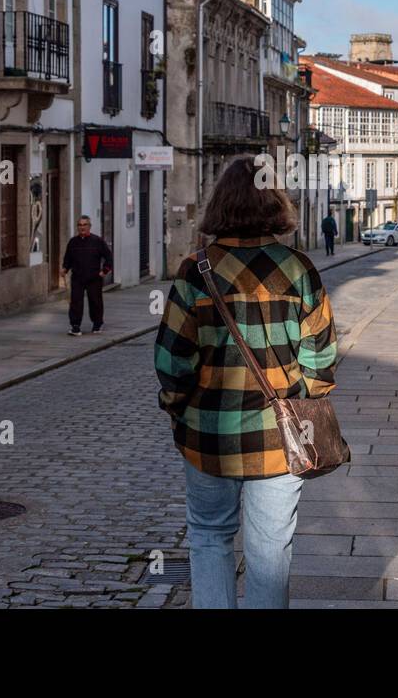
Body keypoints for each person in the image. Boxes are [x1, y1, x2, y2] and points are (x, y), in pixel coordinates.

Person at [155, 156, 338, 609]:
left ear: (221, 204)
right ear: (273, 201)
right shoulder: (299, 269)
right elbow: (321, 358)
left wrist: (178, 406)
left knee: (210, 536)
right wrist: (302, 403)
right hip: (280, 439)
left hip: (208, 435)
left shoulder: (195, 271)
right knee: (270, 549)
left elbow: (173, 358)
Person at [62, 215, 113, 336]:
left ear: (89, 226)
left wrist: (104, 271)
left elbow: (108, 257)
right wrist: (65, 268)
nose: (82, 227)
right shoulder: (73, 242)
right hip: (77, 277)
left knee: (95, 301)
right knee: (75, 301)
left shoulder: (97, 241)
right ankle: (75, 326)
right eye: (80, 225)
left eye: (85, 225)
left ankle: (97, 323)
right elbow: (68, 258)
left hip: (94, 277)